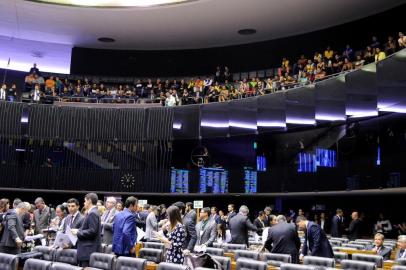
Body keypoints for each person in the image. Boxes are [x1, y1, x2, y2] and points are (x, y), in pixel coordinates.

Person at [72, 193, 102, 267]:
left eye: (85, 201)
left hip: (88, 251)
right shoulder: (93, 212)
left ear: (89, 201)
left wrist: (78, 232)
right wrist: (78, 230)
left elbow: (92, 231)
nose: (84, 203)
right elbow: (88, 228)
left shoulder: (93, 213)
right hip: (87, 250)